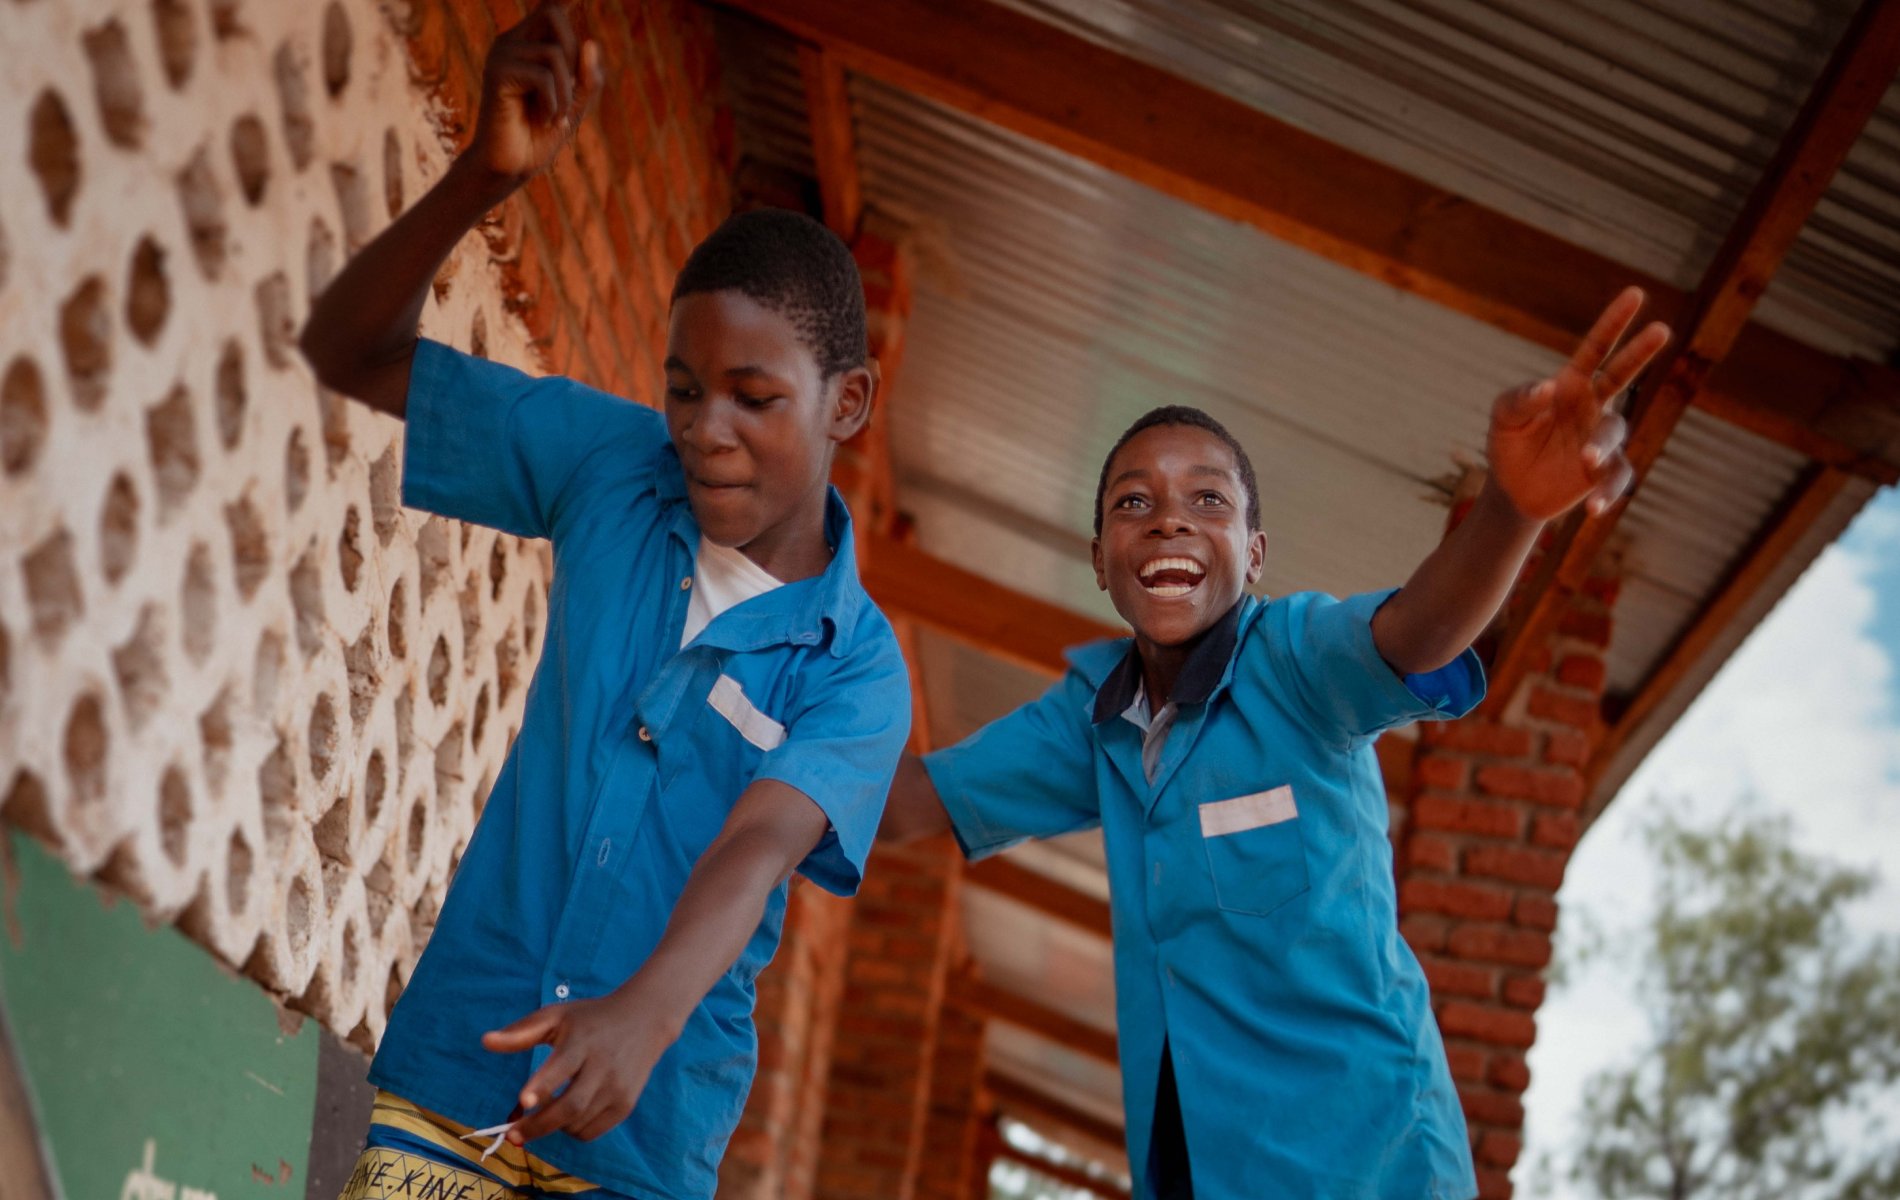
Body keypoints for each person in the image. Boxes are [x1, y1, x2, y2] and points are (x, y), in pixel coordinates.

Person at [299, 6, 910, 1197]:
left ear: (846, 404)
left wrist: (645, 1013)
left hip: (639, 1141)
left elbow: (759, 841)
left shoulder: (858, 667)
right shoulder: (611, 466)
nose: (704, 431)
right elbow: (347, 348)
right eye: (684, 389)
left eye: (752, 397)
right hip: (461, 1072)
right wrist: (482, 173)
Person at [878, 291, 1670, 1199]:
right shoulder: (1090, 718)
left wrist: (1512, 511)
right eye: (1134, 502)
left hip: (1369, 1170)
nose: (1169, 518)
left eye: (1206, 500)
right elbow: (912, 801)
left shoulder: (1296, 661)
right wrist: (731, 778)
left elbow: (1414, 633)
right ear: (1100, 560)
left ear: (1254, 555)